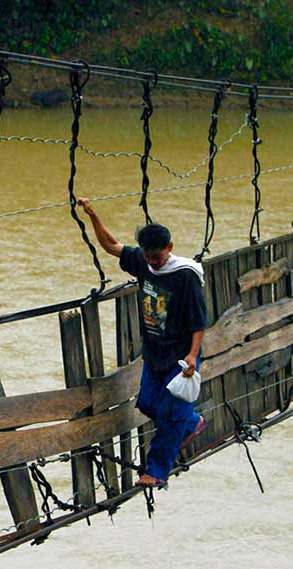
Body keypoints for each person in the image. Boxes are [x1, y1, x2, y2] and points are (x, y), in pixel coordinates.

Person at [78, 197, 208, 488]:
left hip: (180, 356)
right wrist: (93, 215)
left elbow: (199, 321)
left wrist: (192, 356)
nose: (152, 262)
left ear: (170, 249)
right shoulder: (145, 263)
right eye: (148, 257)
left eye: (157, 257)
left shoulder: (185, 276)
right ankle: (193, 423)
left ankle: (156, 472)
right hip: (154, 354)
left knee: (171, 416)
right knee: (149, 404)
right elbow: (112, 246)